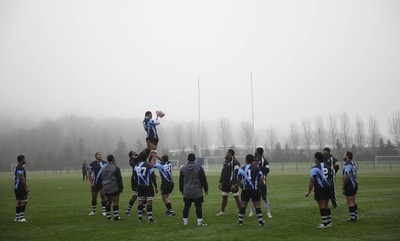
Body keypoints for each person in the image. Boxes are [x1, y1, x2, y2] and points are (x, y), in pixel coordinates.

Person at [305, 152, 333, 228]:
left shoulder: (314, 168)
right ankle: (329, 222)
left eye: (314, 158)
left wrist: (309, 192)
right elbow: (331, 178)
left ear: (317, 159)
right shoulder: (328, 167)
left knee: (322, 206)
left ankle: (324, 224)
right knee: (327, 205)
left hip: (319, 189)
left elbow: (312, 181)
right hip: (327, 188)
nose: (314, 159)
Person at [179, 153, 208, 226]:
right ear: (195, 159)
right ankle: (199, 222)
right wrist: (206, 188)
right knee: (198, 206)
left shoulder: (183, 168)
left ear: (187, 159)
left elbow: (181, 181)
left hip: (187, 191)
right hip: (197, 191)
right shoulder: (199, 168)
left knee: (186, 206)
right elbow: (203, 179)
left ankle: (185, 222)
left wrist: (182, 190)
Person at [237, 154, 265, 227]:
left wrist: (242, 187)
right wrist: (259, 188)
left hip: (245, 190)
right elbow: (261, 180)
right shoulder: (257, 169)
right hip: (254, 190)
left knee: (243, 206)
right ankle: (260, 222)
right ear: (253, 160)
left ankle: (240, 222)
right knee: (257, 206)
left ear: (246, 160)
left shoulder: (241, 169)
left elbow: (238, 180)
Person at [134, 151, 158, 222]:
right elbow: (153, 177)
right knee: (149, 201)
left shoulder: (136, 166)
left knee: (141, 201)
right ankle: (150, 219)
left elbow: (135, 177)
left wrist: (136, 186)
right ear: (146, 157)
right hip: (148, 186)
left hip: (140, 186)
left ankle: (140, 218)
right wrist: (156, 187)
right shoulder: (149, 166)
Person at [216, 149, 241, 216]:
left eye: (227, 152)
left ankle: (241, 212)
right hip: (225, 183)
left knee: (236, 197)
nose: (225, 153)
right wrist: (221, 181)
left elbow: (236, 173)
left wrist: (233, 183)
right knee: (224, 197)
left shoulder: (235, 162)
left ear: (230, 153)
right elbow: (223, 172)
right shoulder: (226, 161)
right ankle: (222, 212)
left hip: (232, 183)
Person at [249, 147, 272, 218]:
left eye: (256, 151)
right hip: (253, 182)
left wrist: (258, 167)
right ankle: (251, 212)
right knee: (252, 197)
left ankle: (268, 213)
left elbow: (267, 170)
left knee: (264, 197)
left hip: (262, 182)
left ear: (259, 152)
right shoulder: (252, 159)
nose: (254, 152)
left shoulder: (264, 161)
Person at [102, 155, 124, 221]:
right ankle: (116, 217)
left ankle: (108, 217)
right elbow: (119, 179)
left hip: (106, 187)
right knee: (115, 202)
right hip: (114, 187)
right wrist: (121, 187)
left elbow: (101, 177)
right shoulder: (115, 167)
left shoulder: (103, 167)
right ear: (113, 159)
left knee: (108, 202)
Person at [342, 151, 358, 222]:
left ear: (347, 156)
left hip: (349, 184)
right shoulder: (353, 163)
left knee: (350, 201)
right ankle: (355, 216)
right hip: (355, 183)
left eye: (344, 155)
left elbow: (347, 175)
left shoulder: (347, 164)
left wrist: (343, 184)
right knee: (354, 201)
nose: (343, 156)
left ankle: (352, 218)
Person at [14, 155, 29, 222]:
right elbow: (21, 178)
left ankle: (17, 217)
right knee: (24, 201)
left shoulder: (17, 167)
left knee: (19, 201)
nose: (26, 160)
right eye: (24, 159)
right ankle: (21, 217)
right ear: (21, 160)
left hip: (16, 187)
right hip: (20, 187)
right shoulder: (20, 168)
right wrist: (26, 187)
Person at [126, 151, 140, 216]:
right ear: (132, 155)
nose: (136, 152)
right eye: (134, 152)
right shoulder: (131, 160)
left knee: (143, 195)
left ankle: (142, 210)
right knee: (135, 195)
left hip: (141, 178)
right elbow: (134, 162)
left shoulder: (138, 158)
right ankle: (128, 210)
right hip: (135, 179)